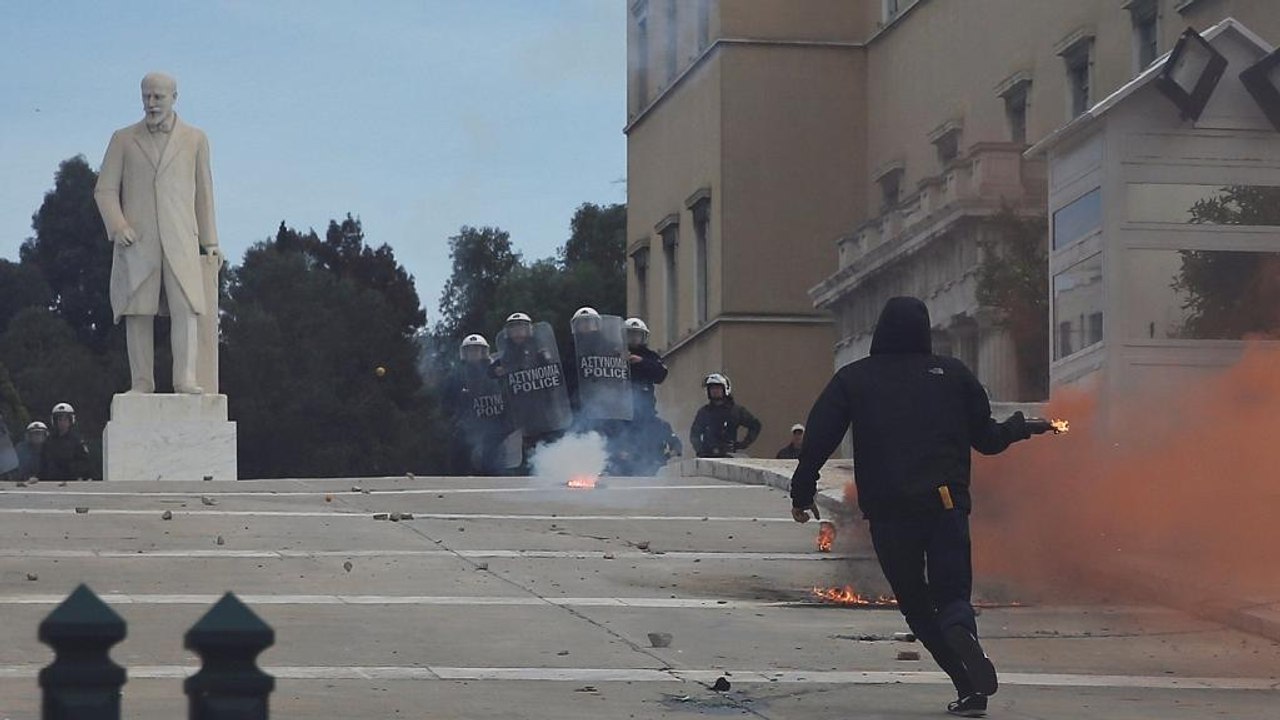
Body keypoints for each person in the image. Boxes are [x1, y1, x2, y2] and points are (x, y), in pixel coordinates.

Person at [788, 297, 1051, 718]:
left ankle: (968, 688)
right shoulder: (953, 374)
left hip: (890, 512)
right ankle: (963, 633)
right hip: (945, 504)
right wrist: (1021, 427)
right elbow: (987, 439)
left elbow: (819, 437)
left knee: (915, 603)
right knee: (952, 595)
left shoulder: (854, 379)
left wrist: (802, 493)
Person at [94, 72, 220, 395]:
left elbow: (203, 194)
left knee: (187, 308)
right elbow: (105, 190)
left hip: (181, 238)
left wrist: (211, 242)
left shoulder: (195, 139)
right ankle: (141, 382)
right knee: (137, 310)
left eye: (158, 97)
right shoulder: (123, 139)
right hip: (138, 241)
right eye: (146, 96)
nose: (151, 103)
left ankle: (185, 379)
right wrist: (118, 225)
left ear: (174, 97)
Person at [443, 334, 514, 476]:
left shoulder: (496, 370)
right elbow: (448, 402)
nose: (474, 353)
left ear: (484, 351)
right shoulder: (457, 375)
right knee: (461, 464)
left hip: (495, 425)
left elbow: (508, 395)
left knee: (494, 464)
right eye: (470, 350)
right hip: (468, 426)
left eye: (477, 349)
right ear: (464, 353)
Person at [690, 373, 761, 458]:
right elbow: (694, 434)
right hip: (707, 456)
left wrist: (742, 444)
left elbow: (755, 425)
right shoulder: (704, 412)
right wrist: (700, 450)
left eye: (718, 388)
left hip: (728, 456)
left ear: (725, 389)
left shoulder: (736, 411)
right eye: (712, 388)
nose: (715, 391)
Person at [624, 318, 667, 420]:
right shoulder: (615, 353)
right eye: (631, 334)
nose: (634, 338)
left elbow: (661, 375)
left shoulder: (650, 356)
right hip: (620, 409)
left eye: (637, 334)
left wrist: (641, 362)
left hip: (645, 410)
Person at [41, 403, 91, 481]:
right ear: (55, 421)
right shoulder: (49, 441)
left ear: (71, 421)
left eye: (65, 419)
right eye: (59, 419)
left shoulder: (77, 441)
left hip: (71, 482)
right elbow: (43, 463)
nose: (62, 423)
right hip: (51, 483)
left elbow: (84, 463)